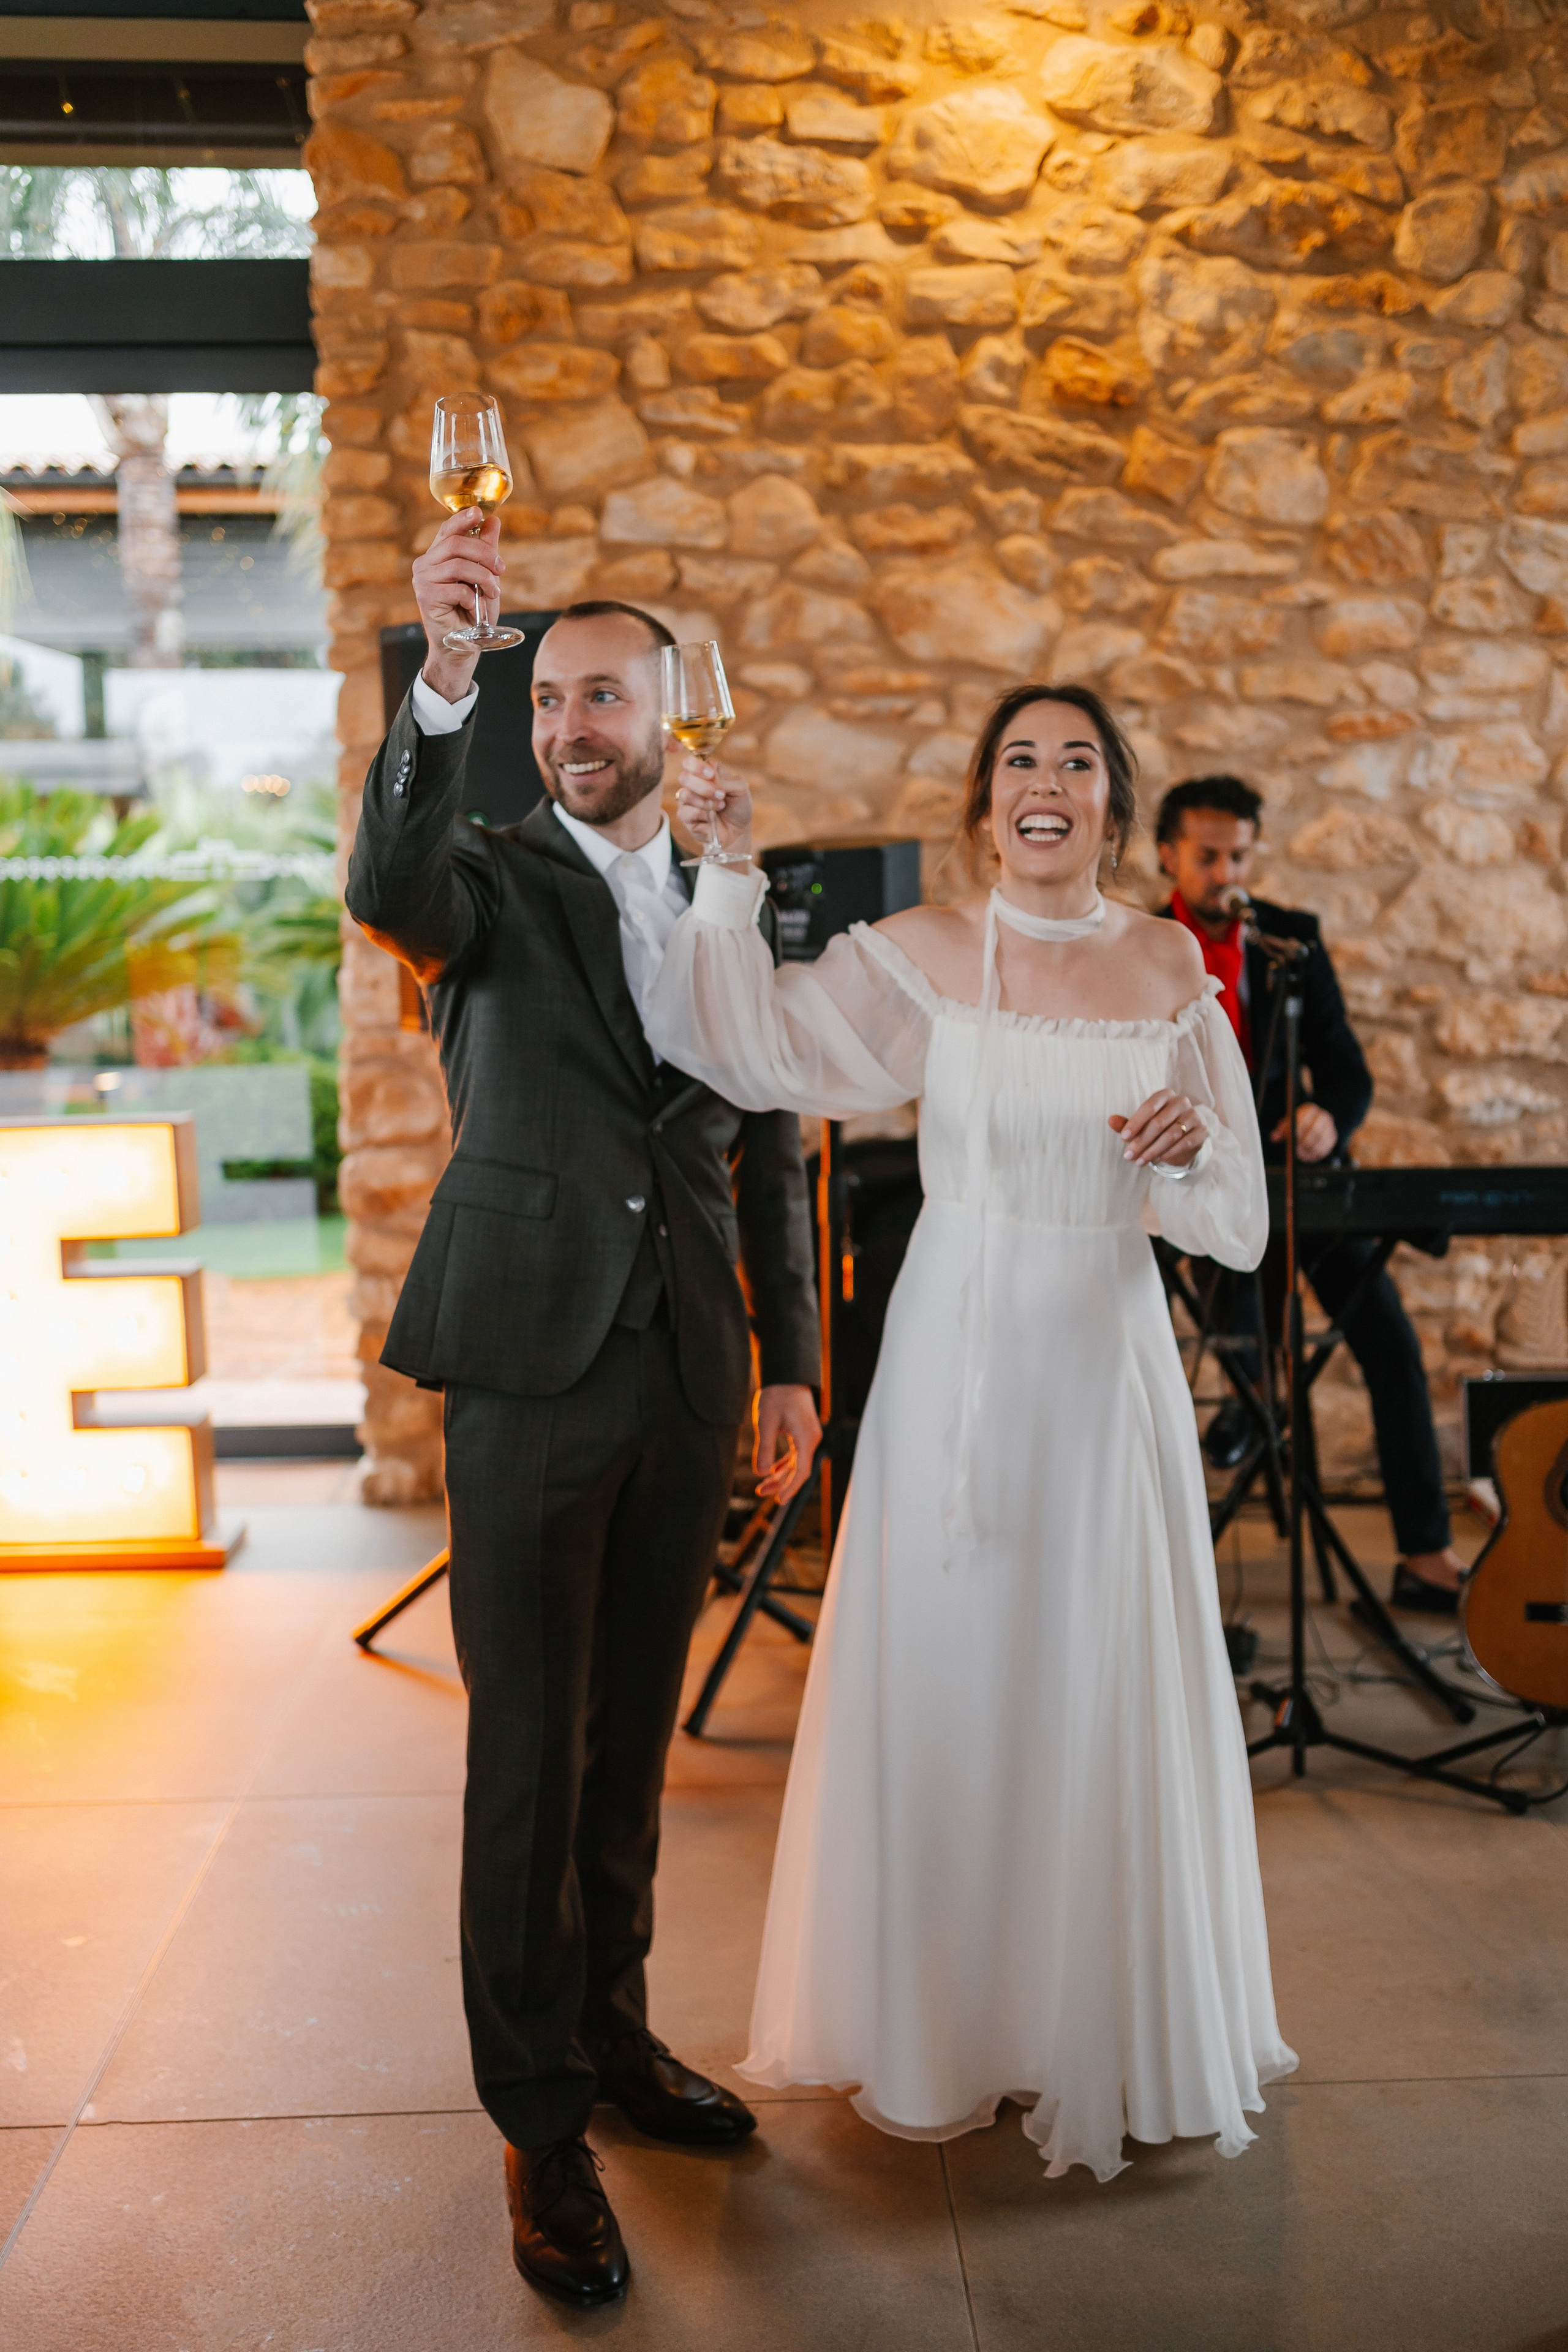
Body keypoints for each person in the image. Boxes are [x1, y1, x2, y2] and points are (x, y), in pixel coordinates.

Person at [644, 682, 1296, 2183]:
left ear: (1114, 811)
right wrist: (728, 874)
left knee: (1096, 1674)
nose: (1044, 781)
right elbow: (753, 1056)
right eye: (1018, 761)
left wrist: (1195, 1153)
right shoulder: (923, 955)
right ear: (983, 803)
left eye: (1076, 761)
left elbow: (1239, 1232)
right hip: (953, 1350)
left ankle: (1093, 2021)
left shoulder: (1168, 968)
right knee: (955, 1666)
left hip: (1103, 1358)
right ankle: (947, 2018)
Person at [345, 509, 821, 2309]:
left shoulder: (721, 890)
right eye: (549, 700)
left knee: (636, 1746)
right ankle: (541, 2129)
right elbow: (387, 884)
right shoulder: (474, 874)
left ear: (676, 712)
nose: (572, 726)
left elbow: (761, 1116)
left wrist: (787, 1355)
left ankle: (615, 2038)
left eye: (602, 696)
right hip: (531, 1359)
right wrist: (442, 678)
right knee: (525, 1755)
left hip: (689, 1364)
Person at [1156, 774, 1469, 1615]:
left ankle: (1427, 1556)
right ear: (1168, 856)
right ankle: (1250, 1403)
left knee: (1390, 1343)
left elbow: (1346, 1068)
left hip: (1304, 1187)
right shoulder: (1141, 945)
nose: (1228, 872)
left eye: (1241, 856)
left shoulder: (1290, 939)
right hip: (1200, 1192)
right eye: (1209, 856)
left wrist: (1329, 1114)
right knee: (1239, 1304)